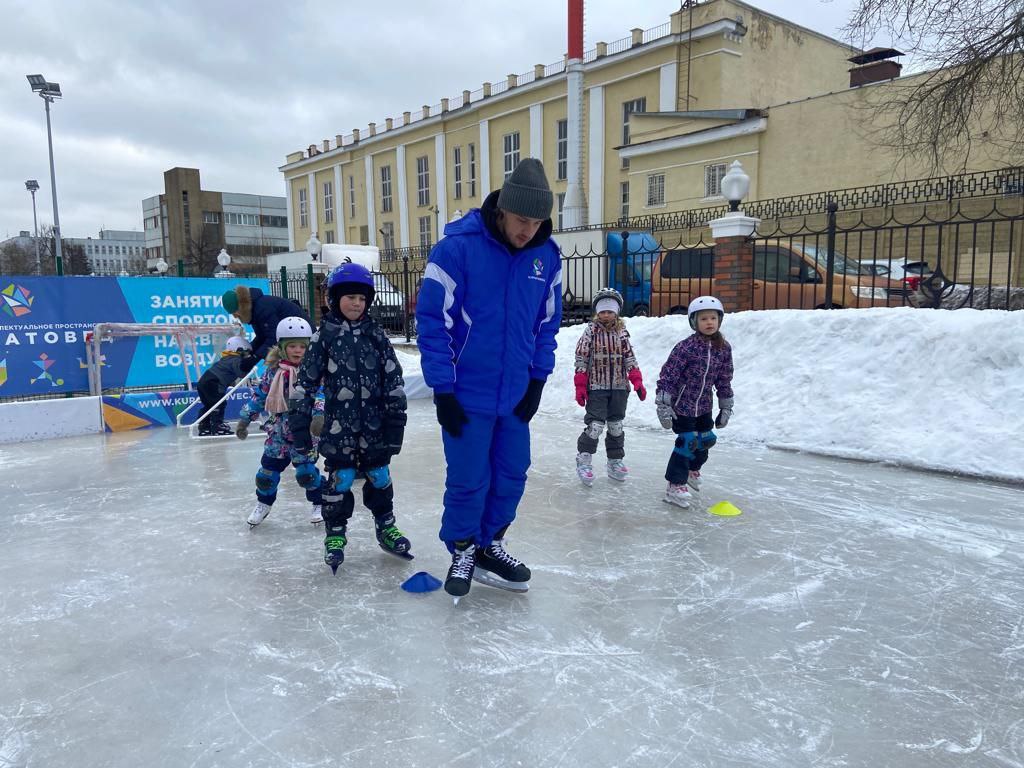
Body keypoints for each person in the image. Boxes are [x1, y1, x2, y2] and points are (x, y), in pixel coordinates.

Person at [416, 157, 562, 599]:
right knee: (468, 477)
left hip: (515, 392)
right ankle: (463, 547)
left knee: (512, 473)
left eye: (537, 222)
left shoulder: (546, 255)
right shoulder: (457, 249)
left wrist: (537, 380)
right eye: (521, 220)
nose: (527, 231)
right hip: (467, 393)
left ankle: (490, 543)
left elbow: (547, 324)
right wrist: (443, 389)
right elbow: (432, 322)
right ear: (502, 210)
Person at [288, 262, 410, 574]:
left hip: (374, 427)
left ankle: (386, 527)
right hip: (339, 429)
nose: (356, 303)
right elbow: (304, 385)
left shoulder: (376, 335)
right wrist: (300, 426)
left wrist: (396, 422)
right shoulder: (322, 338)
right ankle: (335, 536)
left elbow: (393, 379)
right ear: (333, 298)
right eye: (350, 297)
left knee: (380, 477)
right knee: (339, 481)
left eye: (361, 298)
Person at [235, 317, 325, 527]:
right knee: (266, 474)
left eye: (302, 346)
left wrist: (319, 416)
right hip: (278, 433)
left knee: (307, 475)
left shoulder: (313, 372)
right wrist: (244, 419)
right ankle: (263, 504)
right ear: (282, 347)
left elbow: (322, 395)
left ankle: (320, 503)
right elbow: (260, 396)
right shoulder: (273, 372)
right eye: (292, 346)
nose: (297, 350)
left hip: (304, 431)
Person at [655, 295, 734, 508]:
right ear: (694, 322)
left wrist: (726, 405)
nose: (709, 322)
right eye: (703, 319)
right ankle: (675, 484)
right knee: (686, 441)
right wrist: (663, 403)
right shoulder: (686, 347)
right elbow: (669, 374)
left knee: (705, 440)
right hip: (683, 405)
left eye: (713, 318)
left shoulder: (723, 349)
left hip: (704, 406)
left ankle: (692, 469)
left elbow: (724, 378)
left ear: (719, 320)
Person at [573, 287, 646, 485]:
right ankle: (584, 458)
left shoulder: (622, 332)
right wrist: (580, 384)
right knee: (595, 425)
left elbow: (630, 357)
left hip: (620, 387)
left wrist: (636, 379)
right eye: (602, 311)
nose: (606, 315)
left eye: (610, 311)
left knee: (615, 426)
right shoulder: (590, 331)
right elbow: (581, 357)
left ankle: (615, 460)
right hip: (596, 386)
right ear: (597, 312)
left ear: (616, 312)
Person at [222, 285, 311, 373]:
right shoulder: (254, 308)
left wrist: (254, 358)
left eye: (236, 313)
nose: (236, 316)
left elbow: (273, 337)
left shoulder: (262, 308)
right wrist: (248, 351)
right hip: (291, 338)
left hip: (302, 338)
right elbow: (262, 337)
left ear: (241, 307)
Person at [195, 335, 253, 436]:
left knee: (209, 405)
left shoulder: (226, 358)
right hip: (214, 382)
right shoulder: (235, 359)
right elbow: (241, 373)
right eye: (245, 351)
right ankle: (217, 425)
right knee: (219, 404)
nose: (246, 355)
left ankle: (204, 425)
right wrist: (249, 364)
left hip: (204, 382)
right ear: (239, 349)